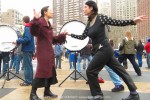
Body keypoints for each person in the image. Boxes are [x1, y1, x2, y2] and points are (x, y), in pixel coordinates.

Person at [66, 1, 148, 100]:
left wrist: (132, 21)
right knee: (121, 71)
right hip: (101, 51)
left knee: (90, 71)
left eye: (85, 7)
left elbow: (117, 22)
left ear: (91, 8)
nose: (83, 9)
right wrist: (70, 34)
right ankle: (134, 94)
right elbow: (83, 37)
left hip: (104, 49)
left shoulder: (100, 17)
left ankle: (97, 95)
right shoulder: (88, 24)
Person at [30, 6, 67, 100]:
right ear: (45, 12)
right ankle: (32, 93)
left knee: (50, 71)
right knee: (41, 71)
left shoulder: (48, 23)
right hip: (43, 52)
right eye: (51, 10)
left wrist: (62, 36)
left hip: (49, 52)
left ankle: (47, 91)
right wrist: (35, 19)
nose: (52, 12)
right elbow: (33, 31)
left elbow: (52, 39)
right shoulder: (40, 22)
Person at [14, 16, 35, 86]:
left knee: (27, 66)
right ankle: (31, 80)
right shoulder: (30, 27)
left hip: (27, 49)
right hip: (30, 49)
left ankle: (28, 81)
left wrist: (17, 40)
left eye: (22, 21)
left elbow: (27, 39)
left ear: (23, 21)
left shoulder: (27, 28)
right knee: (29, 65)